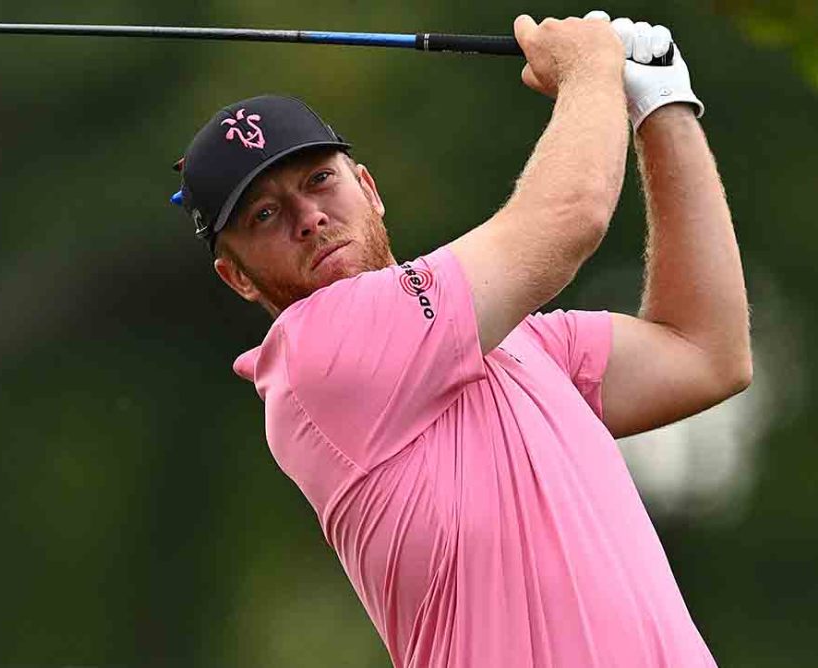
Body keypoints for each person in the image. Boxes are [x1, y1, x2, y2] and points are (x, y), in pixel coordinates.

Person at [171, 10, 750, 668]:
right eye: (265, 214)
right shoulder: (314, 355)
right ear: (236, 278)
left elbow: (704, 352)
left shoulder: (520, 346)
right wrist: (593, 68)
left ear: (368, 188)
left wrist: (662, 104)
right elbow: (568, 219)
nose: (309, 219)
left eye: (319, 180)